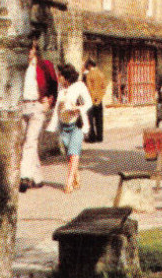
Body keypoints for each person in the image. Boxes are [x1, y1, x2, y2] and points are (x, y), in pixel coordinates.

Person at [20, 42, 58, 191]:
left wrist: (50, 101)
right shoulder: (20, 66)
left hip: (37, 106)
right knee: (27, 141)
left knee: (30, 141)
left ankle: (25, 176)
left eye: (30, 49)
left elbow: (54, 85)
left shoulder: (44, 65)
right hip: (22, 106)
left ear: (35, 50)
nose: (27, 52)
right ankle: (38, 178)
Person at [50, 64, 92, 194]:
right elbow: (58, 104)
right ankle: (76, 175)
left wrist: (78, 108)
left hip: (77, 124)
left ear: (66, 76)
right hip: (64, 124)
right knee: (70, 154)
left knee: (74, 153)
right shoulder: (61, 87)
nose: (58, 77)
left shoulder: (79, 86)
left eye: (60, 75)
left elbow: (89, 102)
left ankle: (68, 183)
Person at [83, 59, 107, 143]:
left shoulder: (89, 75)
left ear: (89, 65)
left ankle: (92, 137)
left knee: (90, 120)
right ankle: (100, 137)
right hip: (99, 100)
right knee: (99, 119)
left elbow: (89, 88)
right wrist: (99, 98)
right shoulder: (101, 73)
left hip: (91, 100)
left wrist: (93, 98)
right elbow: (104, 87)